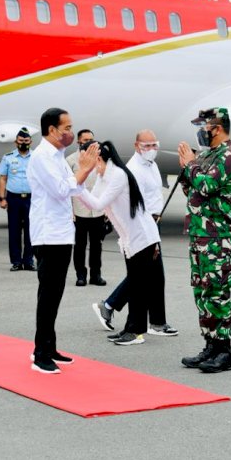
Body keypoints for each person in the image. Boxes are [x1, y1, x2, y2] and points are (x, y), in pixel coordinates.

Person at [28, 108, 100, 374]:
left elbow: (75, 187)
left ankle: (49, 346)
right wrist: (83, 169)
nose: (71, 132)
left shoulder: (57, 156)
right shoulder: (42, 157)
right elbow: (61, 190)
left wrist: (81, 174)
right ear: (51, 130)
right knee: (48, 294)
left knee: (55, 293)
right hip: (48, 235)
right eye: (66, 128)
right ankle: (40, 354)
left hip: (61, 232)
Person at [78, 141, 166, 345]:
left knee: (138, 285)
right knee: (136, 283)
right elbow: (94, 200)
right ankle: (130, 329)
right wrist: (78, 185)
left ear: (98, 158)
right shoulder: (104, 176)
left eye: (89, 161)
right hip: (130, 238)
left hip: (143, 237)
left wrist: (78, 186)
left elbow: (98, 204)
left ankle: (135, 332)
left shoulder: (117, 174)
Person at [92, 130, 178, 337]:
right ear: (136, 146)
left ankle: (154, 321)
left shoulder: (153, 166)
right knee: (146, 274)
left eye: (154, 145)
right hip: (142, 226)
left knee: (153, 275)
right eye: (146, 146)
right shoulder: (132, 170)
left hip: (152, 223)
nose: (151, 150)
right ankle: (112, 306)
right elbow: (131, 203)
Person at [177, 107, 231, 374]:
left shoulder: (228, 156)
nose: (200, 132)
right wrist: (189, 169)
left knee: (217, 294)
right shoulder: (209, 156)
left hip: (216, 237)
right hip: (200, 234)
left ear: (216, 128)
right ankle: (210, 345)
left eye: (203, 127)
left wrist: (190, 165)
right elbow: (192, 191)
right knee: (202, 292)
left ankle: (223, 352)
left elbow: (205, 186)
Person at [67, 130, 106, 286]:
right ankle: (80, 275)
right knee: (80, 246)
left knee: (97, 246)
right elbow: (68, 189)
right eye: (85, 140)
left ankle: (96, 275)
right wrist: (70, 211)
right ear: (78, 142)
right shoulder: (70, 160)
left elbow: (105, 184)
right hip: (79, 210)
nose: (88, 143)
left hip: (97, 209)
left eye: (91, 140)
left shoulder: (101, 159)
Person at [0, 128, 35, 272]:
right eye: (21, 141)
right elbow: (3, 178)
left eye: (26, 141)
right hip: (13, 198)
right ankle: (16, 261)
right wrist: (2, 198)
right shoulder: (8, 157)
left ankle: (29, 261)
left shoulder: (36, 157)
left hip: (31, 198)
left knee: (31, 231)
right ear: (16, 142)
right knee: (14, 231)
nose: (23, 143)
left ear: (30, 141)